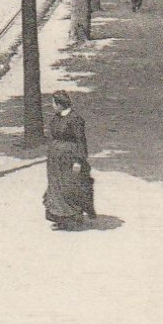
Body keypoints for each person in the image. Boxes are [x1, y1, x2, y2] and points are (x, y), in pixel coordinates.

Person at [43, 91, 95, 229]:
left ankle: (75, 218)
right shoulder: (57, 117)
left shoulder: (75, 119)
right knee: (56, 188)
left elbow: (80, 140)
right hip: (55, 161)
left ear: (60, 104)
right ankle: (60, 219)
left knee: (69, 187)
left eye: (53, 103)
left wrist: (79, 160)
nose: (52, 105)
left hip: (69, 159)